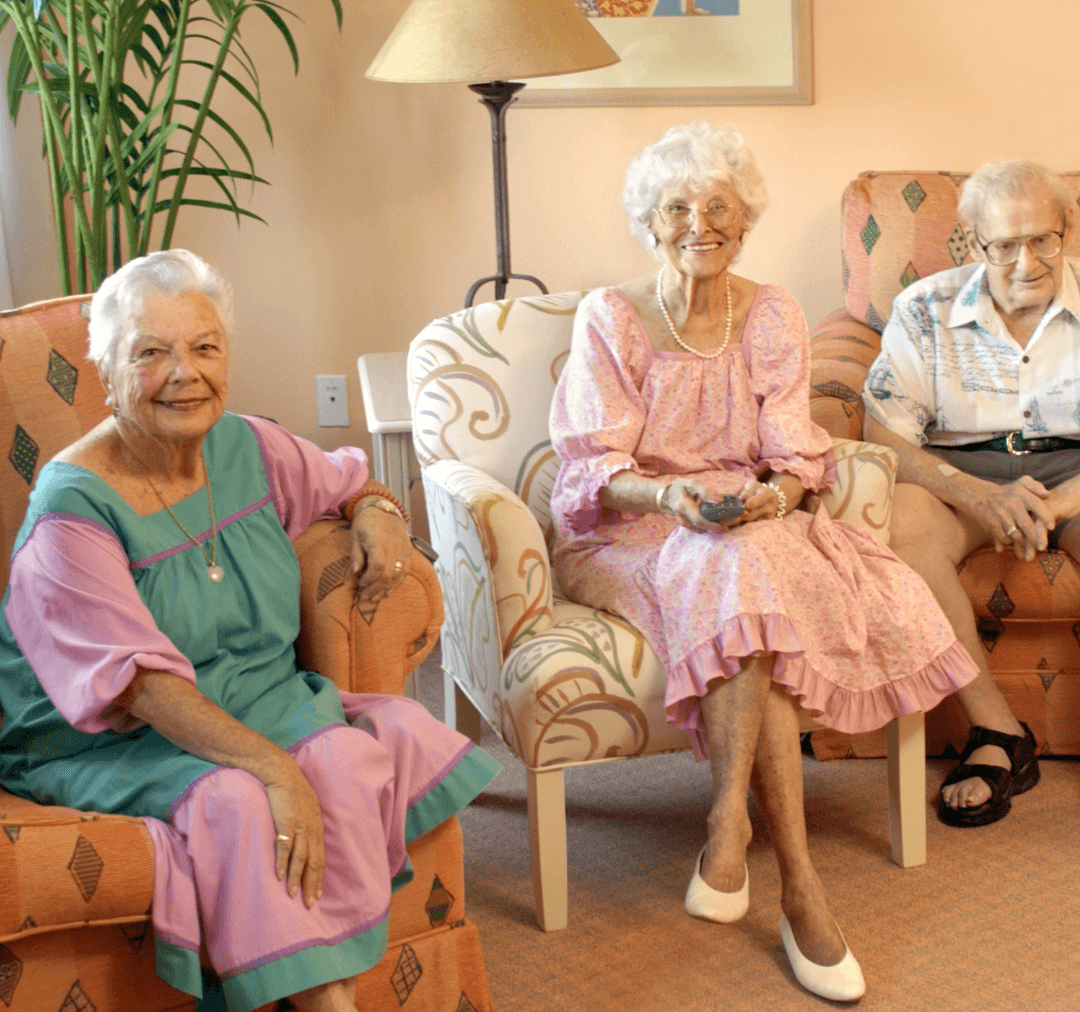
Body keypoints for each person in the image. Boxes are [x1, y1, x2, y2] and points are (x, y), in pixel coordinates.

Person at [0, 250, 499, 1012]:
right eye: (151, 353)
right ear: (106, 372)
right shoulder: (71, 509)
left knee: (343, 757)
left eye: (204, 347)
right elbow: (139, 688)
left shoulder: (248, 447)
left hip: (253, 698)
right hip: (108, 735)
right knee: (235, 802)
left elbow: (351, 480)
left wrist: (379, 512)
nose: (184, 373)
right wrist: (276, 772)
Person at [548, 123, 979, 1002]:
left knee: (747, 577)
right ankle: (798, 884)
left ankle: (732, 834)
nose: (699, 224)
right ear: (650, 222)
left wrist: (772, 502)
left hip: (748, 522)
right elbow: (592, 468)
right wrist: (674, 499)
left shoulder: (772, 312)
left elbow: (791, 453)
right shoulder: (611, 316)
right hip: (634, 531)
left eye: (720, 207)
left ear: (744, 222)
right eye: (678, 208)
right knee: (744, 581)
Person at [863, 159, 1072, 827]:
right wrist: (978, 494)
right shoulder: (924, 308)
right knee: (900, 525)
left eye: (1042, 239)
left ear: (1066, 231)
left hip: (1074, 471)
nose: (1026, 262)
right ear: (975, 243)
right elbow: (883, 436)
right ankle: (998, 732)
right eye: (1004, 245)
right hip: (959, 470)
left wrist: (1057, 506)